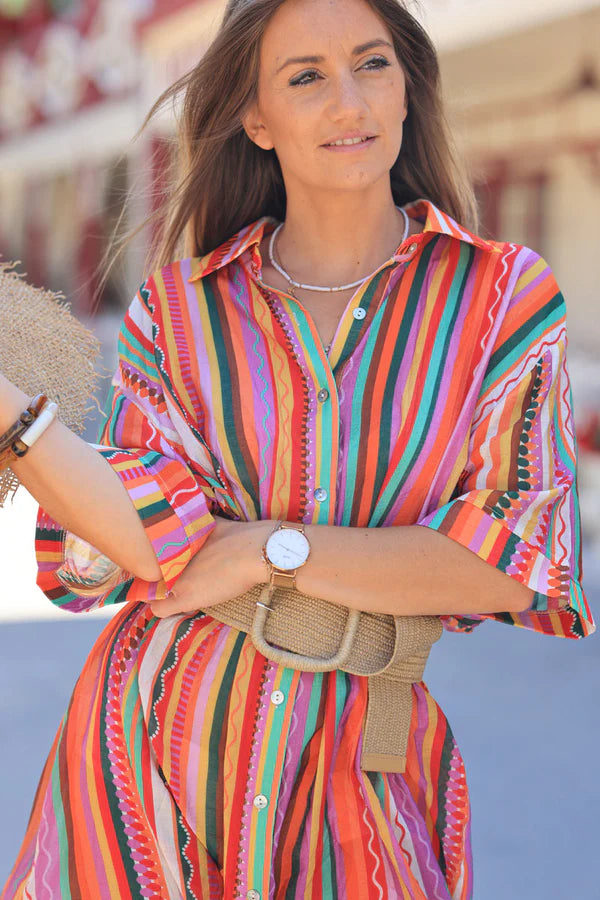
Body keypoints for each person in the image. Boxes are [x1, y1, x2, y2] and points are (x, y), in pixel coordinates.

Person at [1, 0, 595, 897]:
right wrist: (13, 415)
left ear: (407, 91)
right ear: (257, 119)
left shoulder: (502, 297)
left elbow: (512, 561)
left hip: (366, 766)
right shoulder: (180, 310)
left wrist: (264, 550)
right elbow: (131, 542)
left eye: (373, 65)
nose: (348, 102)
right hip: (151, 752)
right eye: (305, 77)